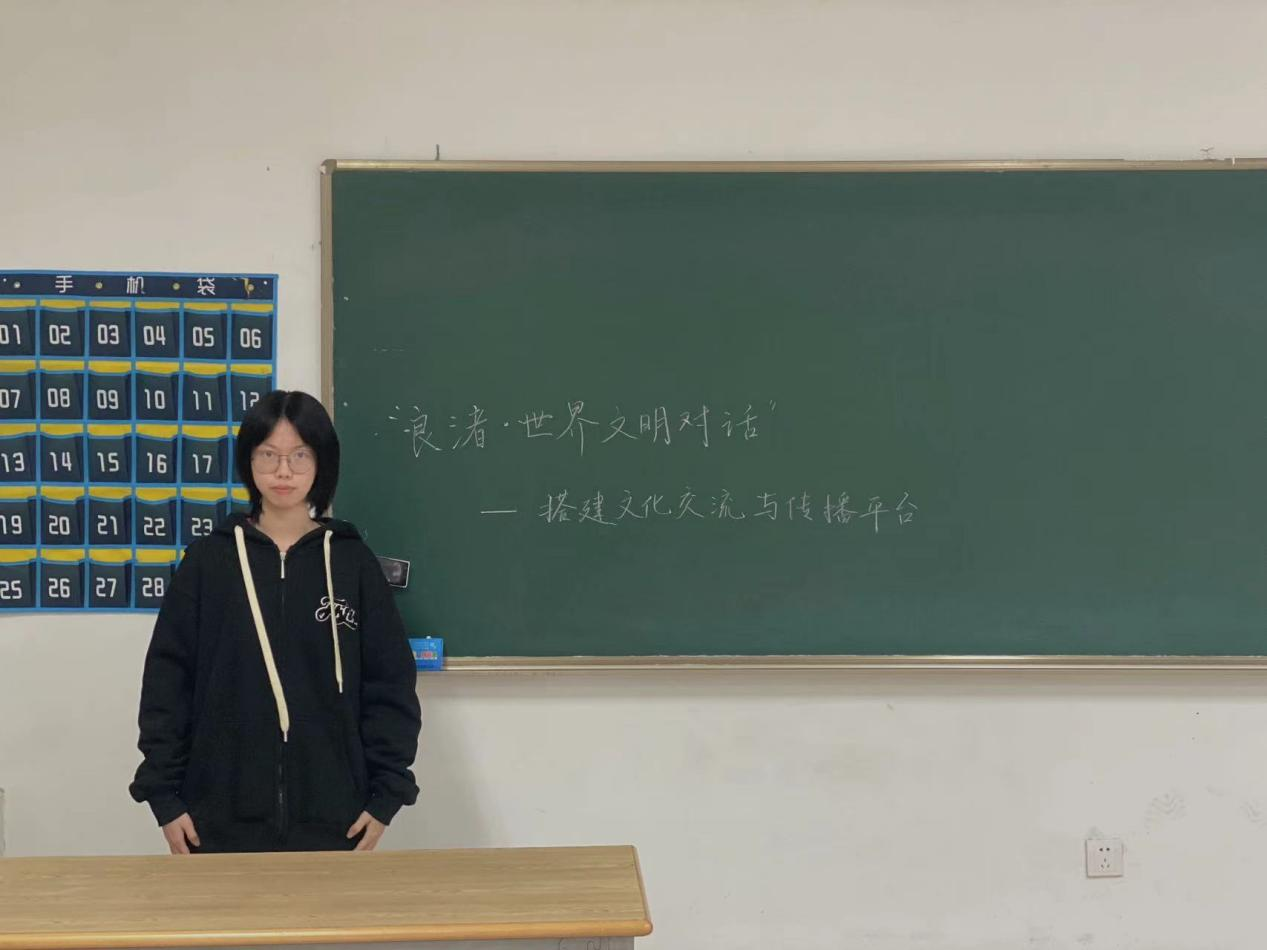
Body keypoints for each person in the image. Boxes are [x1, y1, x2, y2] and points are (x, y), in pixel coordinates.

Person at [129, 390, 421, 853]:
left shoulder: (352, 564)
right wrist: (164, 796)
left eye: (299, 456)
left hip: (336, 819)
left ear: (322, 462)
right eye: (269, 455)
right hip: (215, 818)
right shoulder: (209, 561)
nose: (283, 472)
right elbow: (168, 681)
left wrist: (388, 794)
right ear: (249, 461)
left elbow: (389, 683)